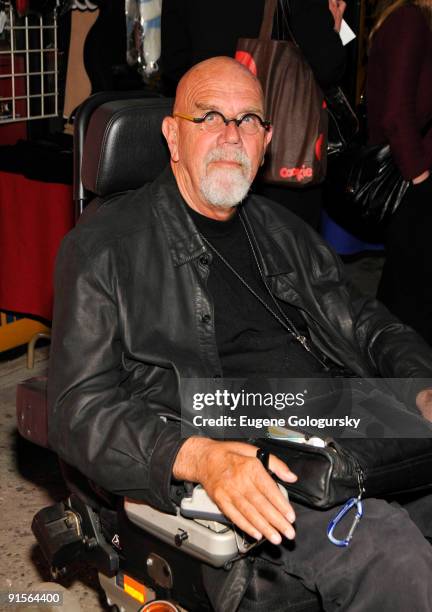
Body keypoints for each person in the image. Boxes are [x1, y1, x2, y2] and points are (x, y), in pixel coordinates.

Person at [48, 57, 432, 611]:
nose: (232, 134)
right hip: (239, 450)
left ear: (267, 139)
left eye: (249, 119)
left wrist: (419, 385)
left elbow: (365, 323)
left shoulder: (281, 230)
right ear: (172, 134)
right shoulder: (102, 248)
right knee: (390, 552)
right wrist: (197, 456)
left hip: (337, 423)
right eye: (209, 116)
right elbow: (77, 409)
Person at [160, 0, 347, 229]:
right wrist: (334, 30)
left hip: (204, 136)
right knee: (287, 249)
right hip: (281, 158)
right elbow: (328, 64)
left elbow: (173, 65)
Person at [367, 0, 432, 345]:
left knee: (407, 291)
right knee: (410, 303)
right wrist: (420, 179)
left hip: (411, 176)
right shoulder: (411, 19)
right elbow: (395, 112)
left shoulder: (414, 18)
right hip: (411, 179)